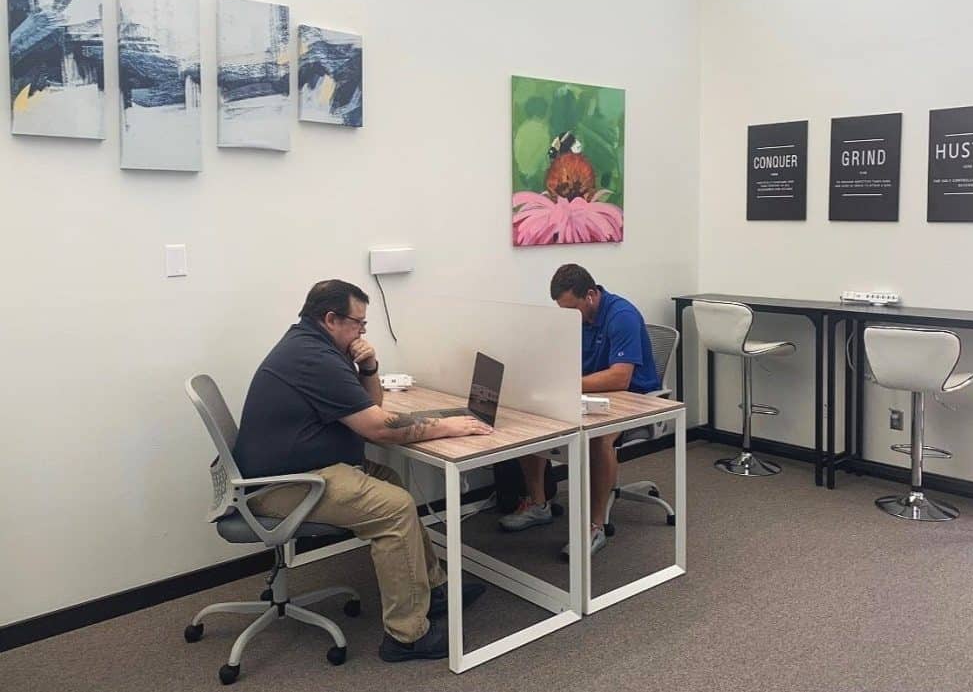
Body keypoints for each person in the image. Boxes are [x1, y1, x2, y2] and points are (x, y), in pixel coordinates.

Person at [232, 280, 492, 662]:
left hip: (306, 468)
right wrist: (448, 426)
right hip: (283, 484)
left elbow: (370, 406)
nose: (362, 332)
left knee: (392, 482)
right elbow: (379, 427)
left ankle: (433, 590)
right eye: (359, 324)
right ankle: (407, 637)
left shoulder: (317, 346)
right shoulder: (313, 358)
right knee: (395, 508)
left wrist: (368, 366)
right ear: (331, 318)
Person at [498, 264, 659, 556]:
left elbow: (620, 377)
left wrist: (568, 383)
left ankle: (594, 527)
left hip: (635, 397)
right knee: (528, 418)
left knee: (598, 439)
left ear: (590, 295)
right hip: (588, 390)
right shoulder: (575, 315)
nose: (568, 316)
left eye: (572, 308)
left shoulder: (622, 316)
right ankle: (539, 504)